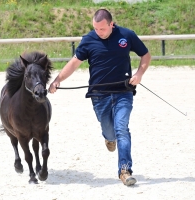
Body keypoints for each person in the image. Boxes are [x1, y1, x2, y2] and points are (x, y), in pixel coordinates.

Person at [49, 8, 151, 186]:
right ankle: (108, 138)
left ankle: (125, 170)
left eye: (102, 29)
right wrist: (57, 80)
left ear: (111, 24)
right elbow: (74, 63)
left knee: (122, 129)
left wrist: (140, 74)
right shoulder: (88, 40)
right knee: (110, 131)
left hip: (123, 92)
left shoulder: (127, 35)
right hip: (99, 96)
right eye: (96, 29)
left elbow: (146, 55)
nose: (99, 32)